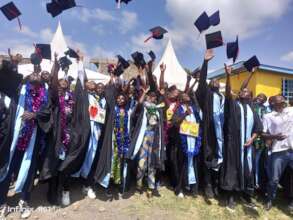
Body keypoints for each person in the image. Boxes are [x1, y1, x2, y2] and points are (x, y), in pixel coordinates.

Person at [0, 54, 50, 219]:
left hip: (32, 140)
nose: (36, 73)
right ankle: (2, 202)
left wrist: (34, 114)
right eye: (33, 72)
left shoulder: (45, 96)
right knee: (8, 169)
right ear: (29, 77)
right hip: (15, 138)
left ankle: (24, 201)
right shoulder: (19, 90)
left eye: (39, 72)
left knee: (28, 171)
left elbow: (47, 112)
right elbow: (6, 80)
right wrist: (13, 65)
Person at [220, 64, 263, 211]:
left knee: (247, 169)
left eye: (246, 91)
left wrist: (252, 139)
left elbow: (258, 127)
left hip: (247, 145)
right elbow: (228, 92)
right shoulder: (233, 105)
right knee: (232, 169)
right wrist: (228, 76)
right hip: (233, 144)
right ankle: (230, 195)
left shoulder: (252, 109)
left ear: (250, 96)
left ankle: (245, 194)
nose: (243, 92)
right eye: (242, 91)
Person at [38, 53, 74, 206]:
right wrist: (56, 67)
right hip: (56, 135)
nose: (63, 82)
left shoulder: (73, 98)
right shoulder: (54, 97)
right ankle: (52, 191)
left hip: (69, 136)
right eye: (61, 81)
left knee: (65, 165)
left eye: (66, 81)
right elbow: (52, 85)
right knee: (54, 164)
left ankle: (64, 190)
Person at [94, 72, 134, 197]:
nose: (121, 100)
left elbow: (134, 100)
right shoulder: (113, 109)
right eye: (119, 98)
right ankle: (108, 185)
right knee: (112, 160)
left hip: (123, 140)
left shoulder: (128, 111)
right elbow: (111, 92)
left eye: (123, 99)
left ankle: (119, 183)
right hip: (113, 139)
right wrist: (113, 78)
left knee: (121, 162)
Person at [195, 49, 225, 198]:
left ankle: (215, 183)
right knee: (207, 155)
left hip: (220, 132)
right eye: (212, 80)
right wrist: (205, 62)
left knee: (218, 156)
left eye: (217, 80)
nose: (214, 81)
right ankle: (207, 184)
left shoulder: (222, 97)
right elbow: (202, 81)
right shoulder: (207, 94)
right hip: (208, 129)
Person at [262, 95, 293, 211]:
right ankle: (270, 199)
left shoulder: (291, 111)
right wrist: (275, 136)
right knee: (274, 178)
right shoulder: (268, 116)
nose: (283, 104)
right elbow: (263, 134)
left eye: (284, 102)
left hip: (292, 148)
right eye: (280, 102)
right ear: (273, 103)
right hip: (278, 150)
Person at [171, 92, 202, 198]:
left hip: (193, 140)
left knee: (193, 163)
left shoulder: (194, 108)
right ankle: (180, 189)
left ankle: (193, 188)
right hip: (182, 142)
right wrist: (185, 114)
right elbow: (174, 122)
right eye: (184, 95)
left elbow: (199, 120)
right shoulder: (179, 109)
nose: (187, 95)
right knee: (182, 165)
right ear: (180, 99)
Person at [252, 93, 270, 191]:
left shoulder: (266, 110)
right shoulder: (251, 106)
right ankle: (253, 182)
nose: (259, 98)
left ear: (264, 100)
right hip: (251, 137)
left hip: (261, 139)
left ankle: (258, 184)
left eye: (262, 97)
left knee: (259, 162)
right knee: (252, 161)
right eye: (258, 96)